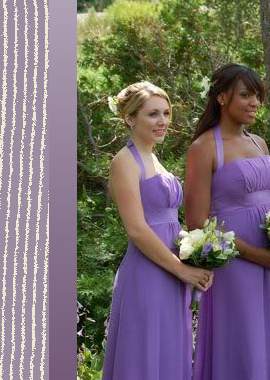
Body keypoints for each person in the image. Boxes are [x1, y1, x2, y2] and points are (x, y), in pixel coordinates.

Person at [102, 82, 213, 380]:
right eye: (153, 114)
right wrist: (181, 269)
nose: (162, 121)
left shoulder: (154, 159)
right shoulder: (124, 162)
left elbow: (169, 222)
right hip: (148, 273)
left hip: (173, 273)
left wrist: (199, 250)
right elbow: (137, 229)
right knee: (144, 356)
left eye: (165, 113)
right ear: (130, 118)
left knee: (169, 355)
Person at [186, 64, 270, 380]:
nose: (254, 102)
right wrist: (255, 255)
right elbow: (197, 222)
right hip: (234, 263)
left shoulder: (259, 143)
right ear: (222, 97)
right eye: (246, 95)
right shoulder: (204, 147)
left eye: (257, 96)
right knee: (243, 344)